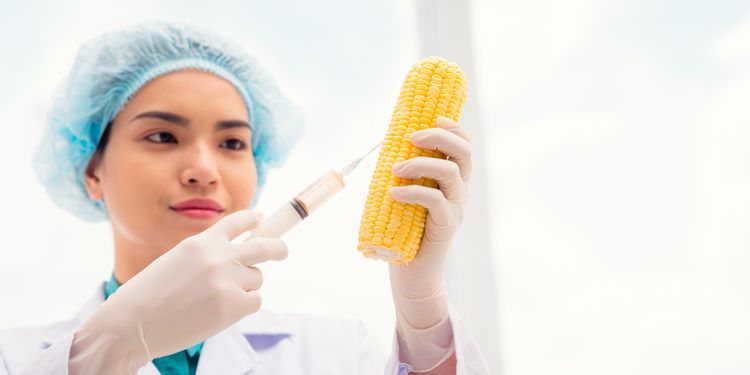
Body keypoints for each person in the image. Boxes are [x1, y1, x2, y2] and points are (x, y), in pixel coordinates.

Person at [0, 21, 490, 374]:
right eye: (162, 137)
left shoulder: (336, 354)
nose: (204, 170)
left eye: (233, 143)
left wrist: (423, 315)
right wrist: (103, 351)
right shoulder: (16, 359)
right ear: (91, 169)